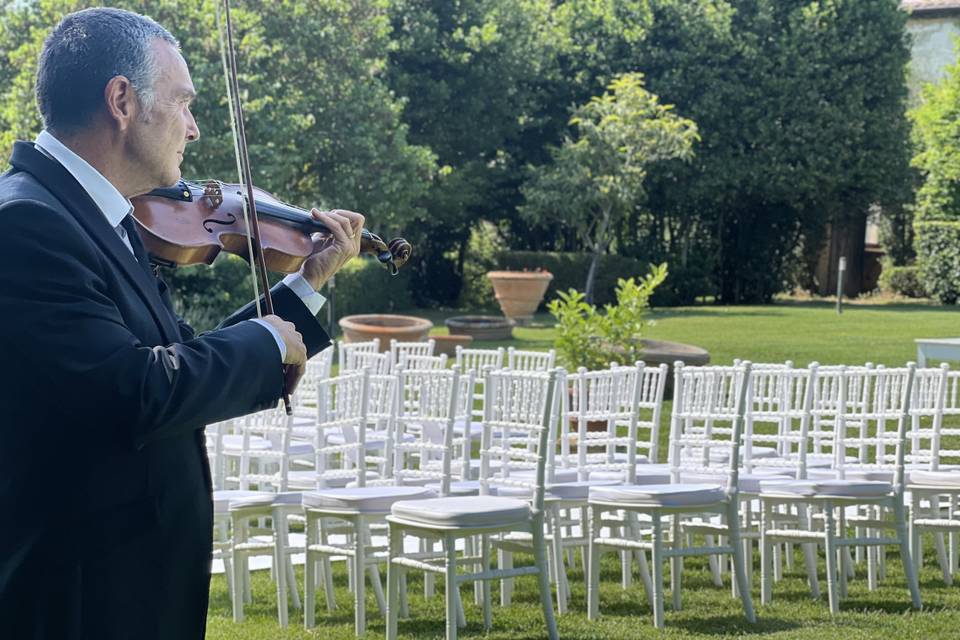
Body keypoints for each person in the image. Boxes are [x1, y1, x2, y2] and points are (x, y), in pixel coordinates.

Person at [0, 8, 365, 639]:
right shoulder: (28, 225)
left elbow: (173, 360)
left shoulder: (93, 217)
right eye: (183, 104)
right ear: (121, 100)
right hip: (83, 599)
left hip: (126, 589)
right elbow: (132, 389)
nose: (193, 130)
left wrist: (306, 284)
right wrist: (263, 344)